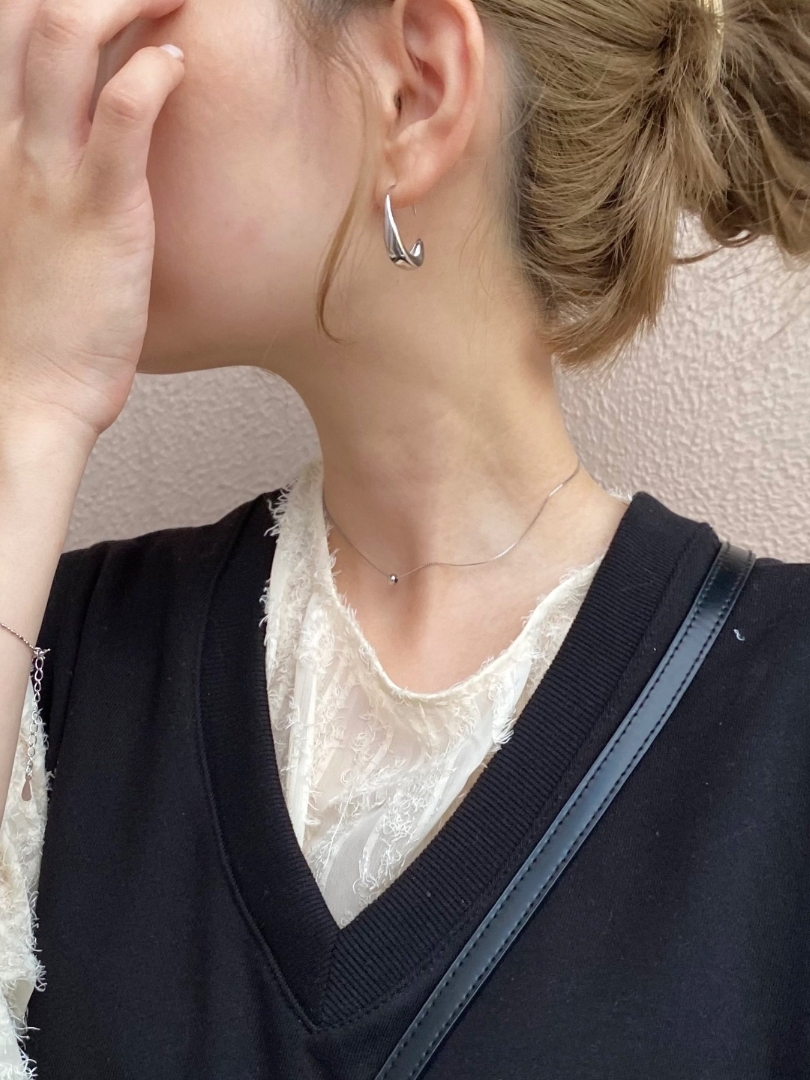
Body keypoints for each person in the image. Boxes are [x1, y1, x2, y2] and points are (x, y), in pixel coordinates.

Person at [0, 0, 807, 1075]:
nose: (50, 51)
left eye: (131, 13)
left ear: (415, 89)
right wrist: (30, 405)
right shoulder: (48, 658)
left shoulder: (784, 715)